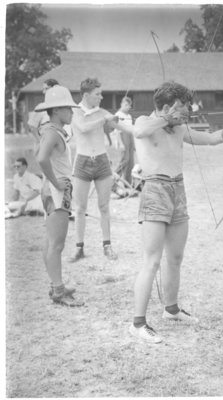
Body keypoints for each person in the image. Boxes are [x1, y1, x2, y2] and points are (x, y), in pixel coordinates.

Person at [129, 80, 223, 343]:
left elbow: (212, 139)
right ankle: (138, 324)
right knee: (152, 260)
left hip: (178, 190)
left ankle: (171, 309)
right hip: (155, 189)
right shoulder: (146, 121)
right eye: (182, 108)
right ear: (166, 107)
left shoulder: (179, 129)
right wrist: (168, 118)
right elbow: (140, 130)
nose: (187, 112)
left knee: (175, 257)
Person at [70, 77, 133, 262]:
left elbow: (124, 127)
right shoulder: (75, 111)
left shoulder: (103, 112)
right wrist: (103, 119)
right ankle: (79, 248)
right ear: (86, 95)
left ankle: (107, 246)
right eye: (97, 94)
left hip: (102, 161)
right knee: (80, 208)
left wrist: (147, 127)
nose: (101, 96)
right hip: (82, 162)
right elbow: (82, 127)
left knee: (104, 207)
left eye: (101, 93)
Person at [36, 85, 84, 306]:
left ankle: (56, 284)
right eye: (68, 108)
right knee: (57, 243)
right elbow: (41, 159)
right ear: (56, 110)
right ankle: (58, 290)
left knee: (51, 242)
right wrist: (57, 183)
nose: (72, 112)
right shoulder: (52, 133)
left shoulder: (53, 131)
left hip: (53, 188)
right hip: (57, 189)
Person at [28, 78, 60, 144]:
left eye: (46, 89)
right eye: (43, 89)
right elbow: (32, 126)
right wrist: (40, 141)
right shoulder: (41, 107)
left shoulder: (62, 107)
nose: (44, 92)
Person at [114, 96, 135, 184]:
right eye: (125, 104)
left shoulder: (129, 116)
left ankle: (128, 184)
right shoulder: (118, 114)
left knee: (131, 162)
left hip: (130, 137)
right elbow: (117, 131)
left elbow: (131, 129)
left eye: (129, 105)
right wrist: (121, 143)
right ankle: (113, 180)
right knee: (124, 160)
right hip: (123, 137)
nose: (127, 107)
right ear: (121, 104)